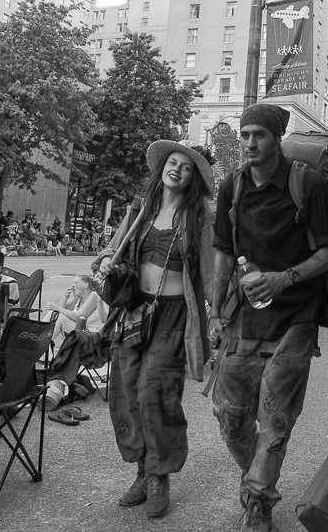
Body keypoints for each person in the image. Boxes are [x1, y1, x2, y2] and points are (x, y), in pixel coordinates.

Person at [208, 104, 328, 532]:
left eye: (259, 135)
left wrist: (284, 279)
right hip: (244, 317)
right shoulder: (232, 186)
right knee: (230, 418)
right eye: (245, 134)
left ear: (277, 138)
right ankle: (257, 479)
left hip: (296, 318)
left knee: (275, 416)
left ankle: (258, 500)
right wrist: (215, 311)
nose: (250, 143)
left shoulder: (308, 184)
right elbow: (223, 252)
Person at [97, 138, 215, 520]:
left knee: (155, 392)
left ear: (193, 177)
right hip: (134, 311)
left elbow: (212, 273)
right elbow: (112, 249)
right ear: (162, 167)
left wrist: (221, 318)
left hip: (175, 316)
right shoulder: (141, 208)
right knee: (128, 391)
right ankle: (143, 471)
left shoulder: (200, 216)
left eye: (186, 166)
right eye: (173, 162)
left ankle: (160, 474)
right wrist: (106, 262)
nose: (176, 169)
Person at [47, 274, 106, 346]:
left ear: (85, 285)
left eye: (76, 283)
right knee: (52, 313)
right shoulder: (79, 297)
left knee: (61, 317)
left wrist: (56, 307)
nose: (72, 285)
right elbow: (61, 310)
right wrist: (65, 297)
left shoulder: (94, 296)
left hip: (92, 334)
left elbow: (78, 317)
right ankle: (39, 337)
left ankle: (43, 343)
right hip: (82, 330)